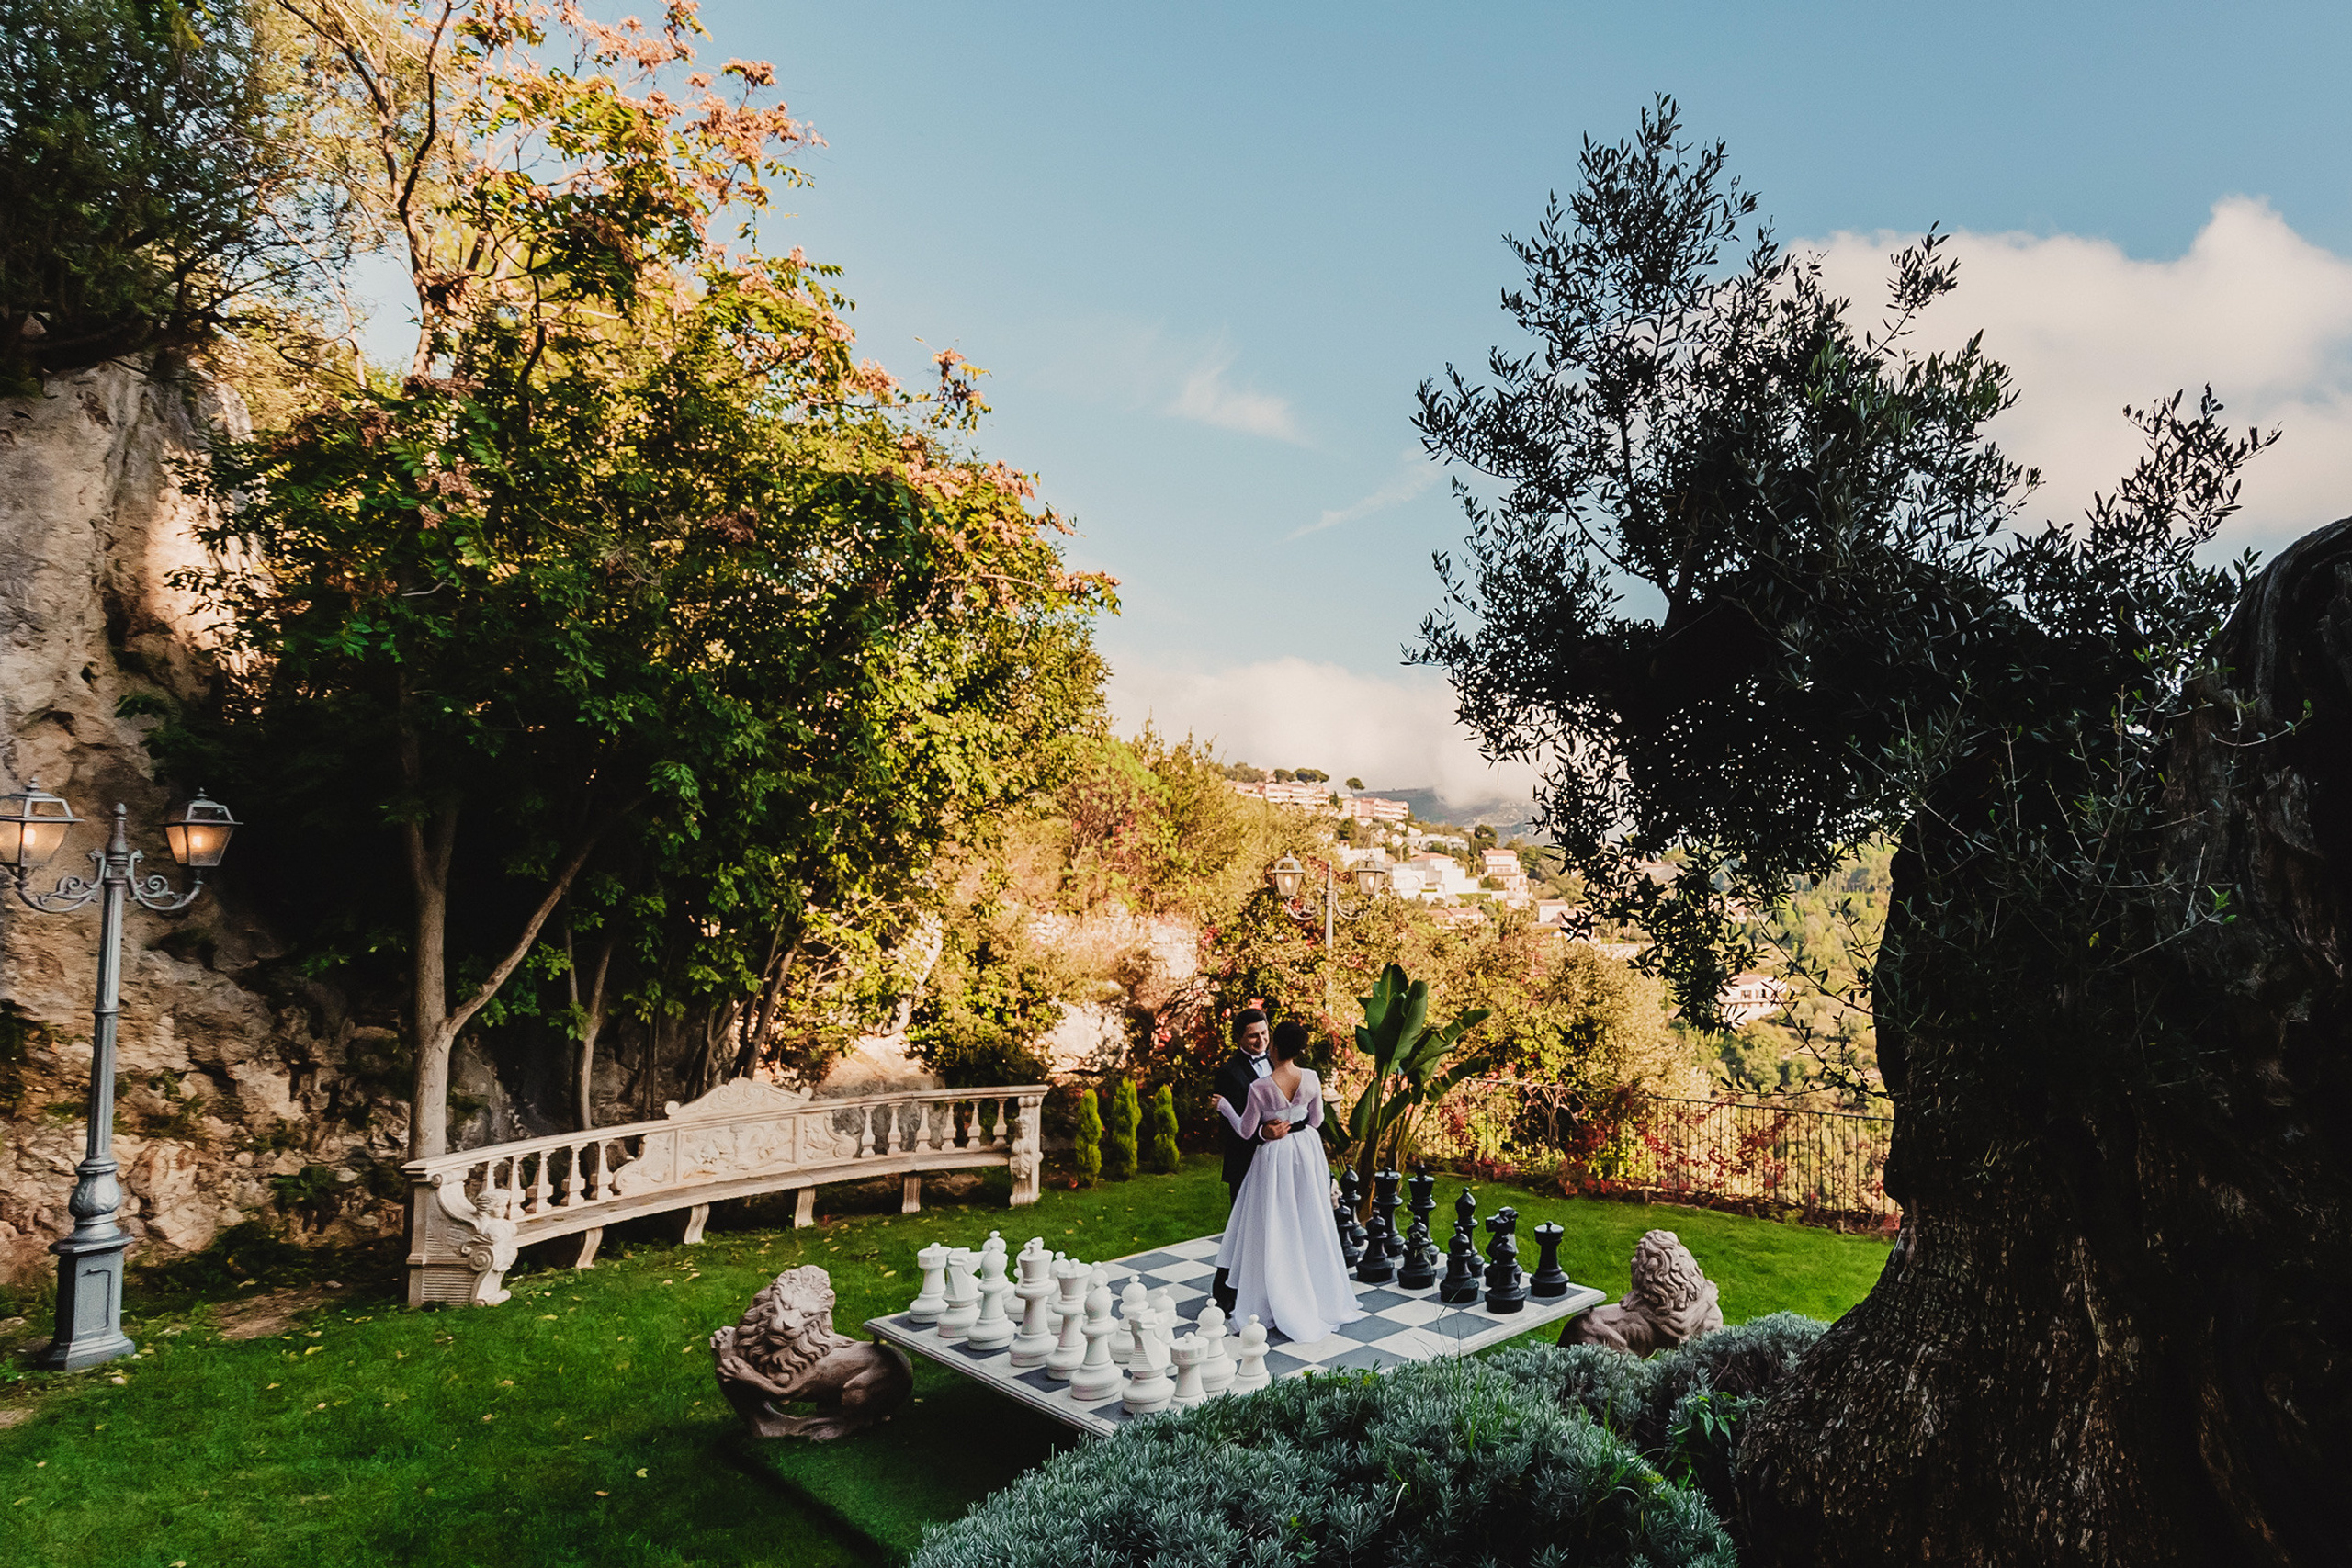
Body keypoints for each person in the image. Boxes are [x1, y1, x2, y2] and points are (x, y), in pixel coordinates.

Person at [1212, 1021, 1363, 1344]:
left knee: (1276, 1222)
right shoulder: (1310, 1077)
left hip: (1276, 1156)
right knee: (1309, 1218)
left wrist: (1225, 1108)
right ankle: (1316, 1293)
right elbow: (1319, 1119)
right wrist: (1296, 1119)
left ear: (1275, 1047)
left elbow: (1245, 1130)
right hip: (1306, 1151)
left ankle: (1271, 1296)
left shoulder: (1261, 1087)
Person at [1210, 1008, 1288, 1313]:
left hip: (1276, 1159)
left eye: (1265, 1033)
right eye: (1253, 1035)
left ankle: (1266, 1290)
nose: (1261, 1040)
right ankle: (1224, 1292)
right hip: (1245, 1160)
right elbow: (1229, 1127)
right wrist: (1261, 1133)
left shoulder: (1278, 1062)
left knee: (1272, 1228)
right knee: (1242, 1230)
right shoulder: (1228, 1072)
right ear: (1239, 1037)